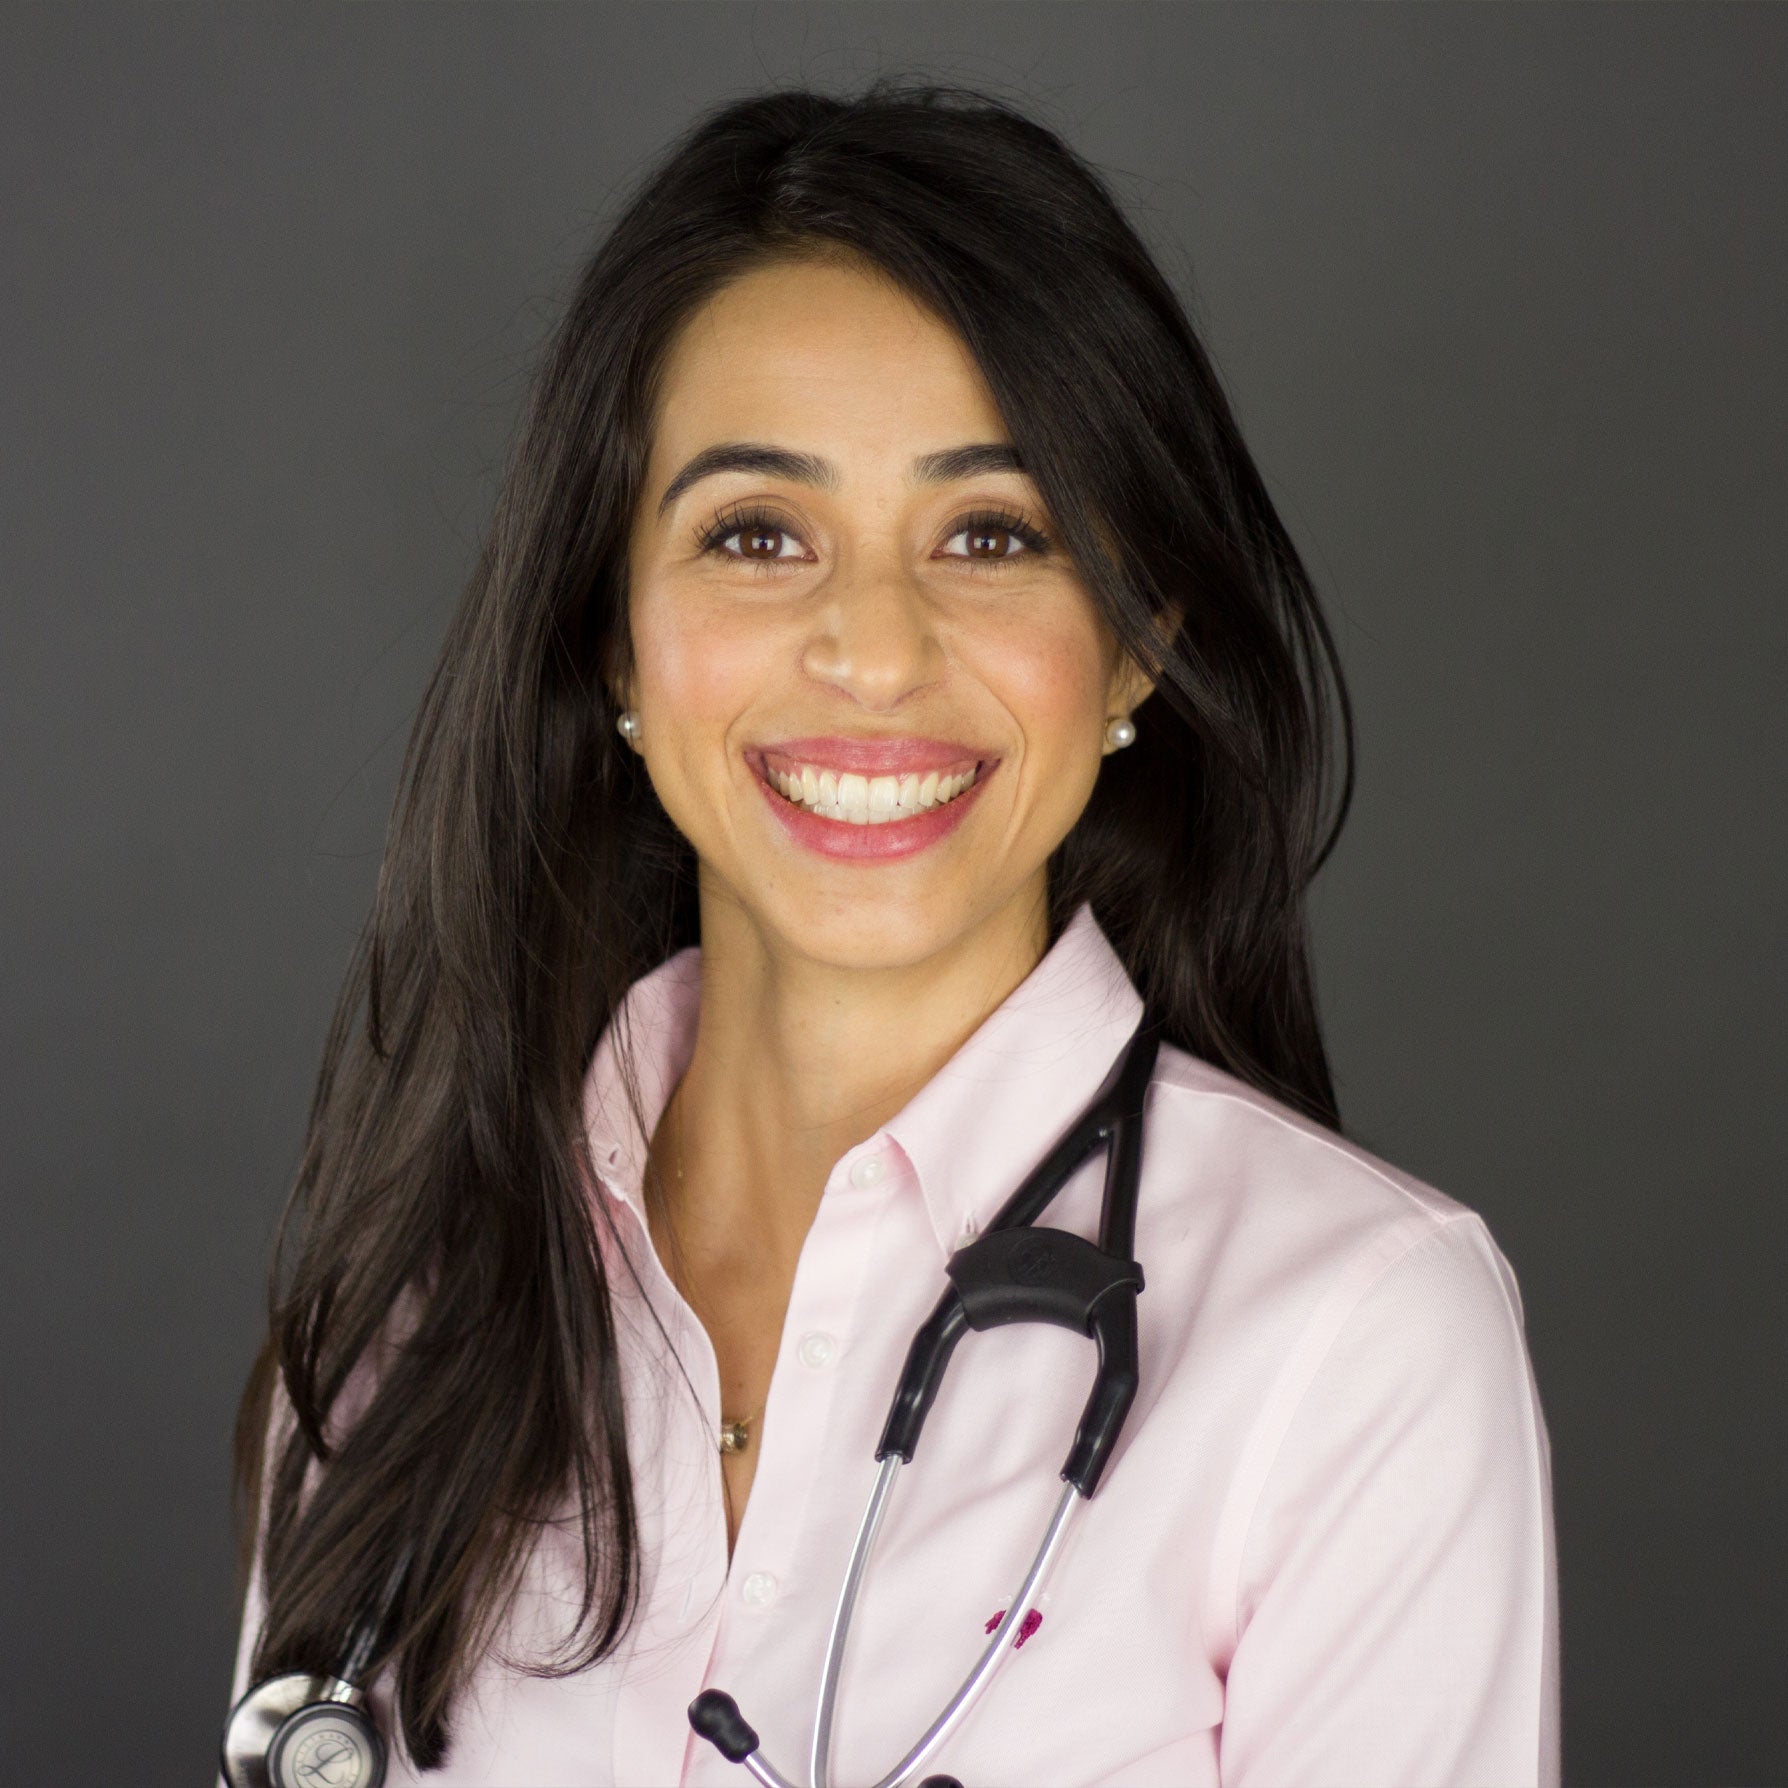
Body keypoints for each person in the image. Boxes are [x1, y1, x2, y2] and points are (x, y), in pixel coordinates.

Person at [224, 79, 1559, 1788]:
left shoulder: (1358, 1344)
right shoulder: (404, 1335)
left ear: (1140, 641)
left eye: (992, 534)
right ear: (619, 643)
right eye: (757, 534)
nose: (872, 647)